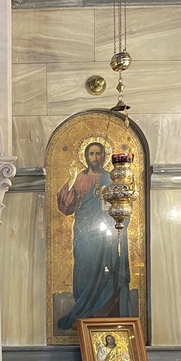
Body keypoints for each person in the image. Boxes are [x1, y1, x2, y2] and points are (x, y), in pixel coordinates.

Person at [56, 141, 129, 331]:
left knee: (104, 269)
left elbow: (122, 205)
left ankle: (99, 314)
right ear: (86, 157)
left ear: (104, 156)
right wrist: (71, 180)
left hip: (104, 234)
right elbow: (66, 207)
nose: (95, 158)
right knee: (83, 268)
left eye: (99, 154)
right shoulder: (79, 178)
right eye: (92, 154)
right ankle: (82, 313)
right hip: (83, 232)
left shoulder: (110, 178)